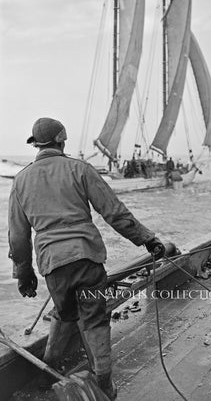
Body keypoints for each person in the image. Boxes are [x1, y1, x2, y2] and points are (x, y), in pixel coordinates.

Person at [8, 117, 166, 400]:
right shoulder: (79, 169)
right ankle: (104, 382)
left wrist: (25, 275)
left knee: (65, 312)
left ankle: (48, 373)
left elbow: (18, 238)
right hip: (86, 259)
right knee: (94, 319)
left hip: (53, 266)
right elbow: (114, 212)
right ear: (61, 141)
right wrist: (148, 239)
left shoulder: (20, 180)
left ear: (36, 145)